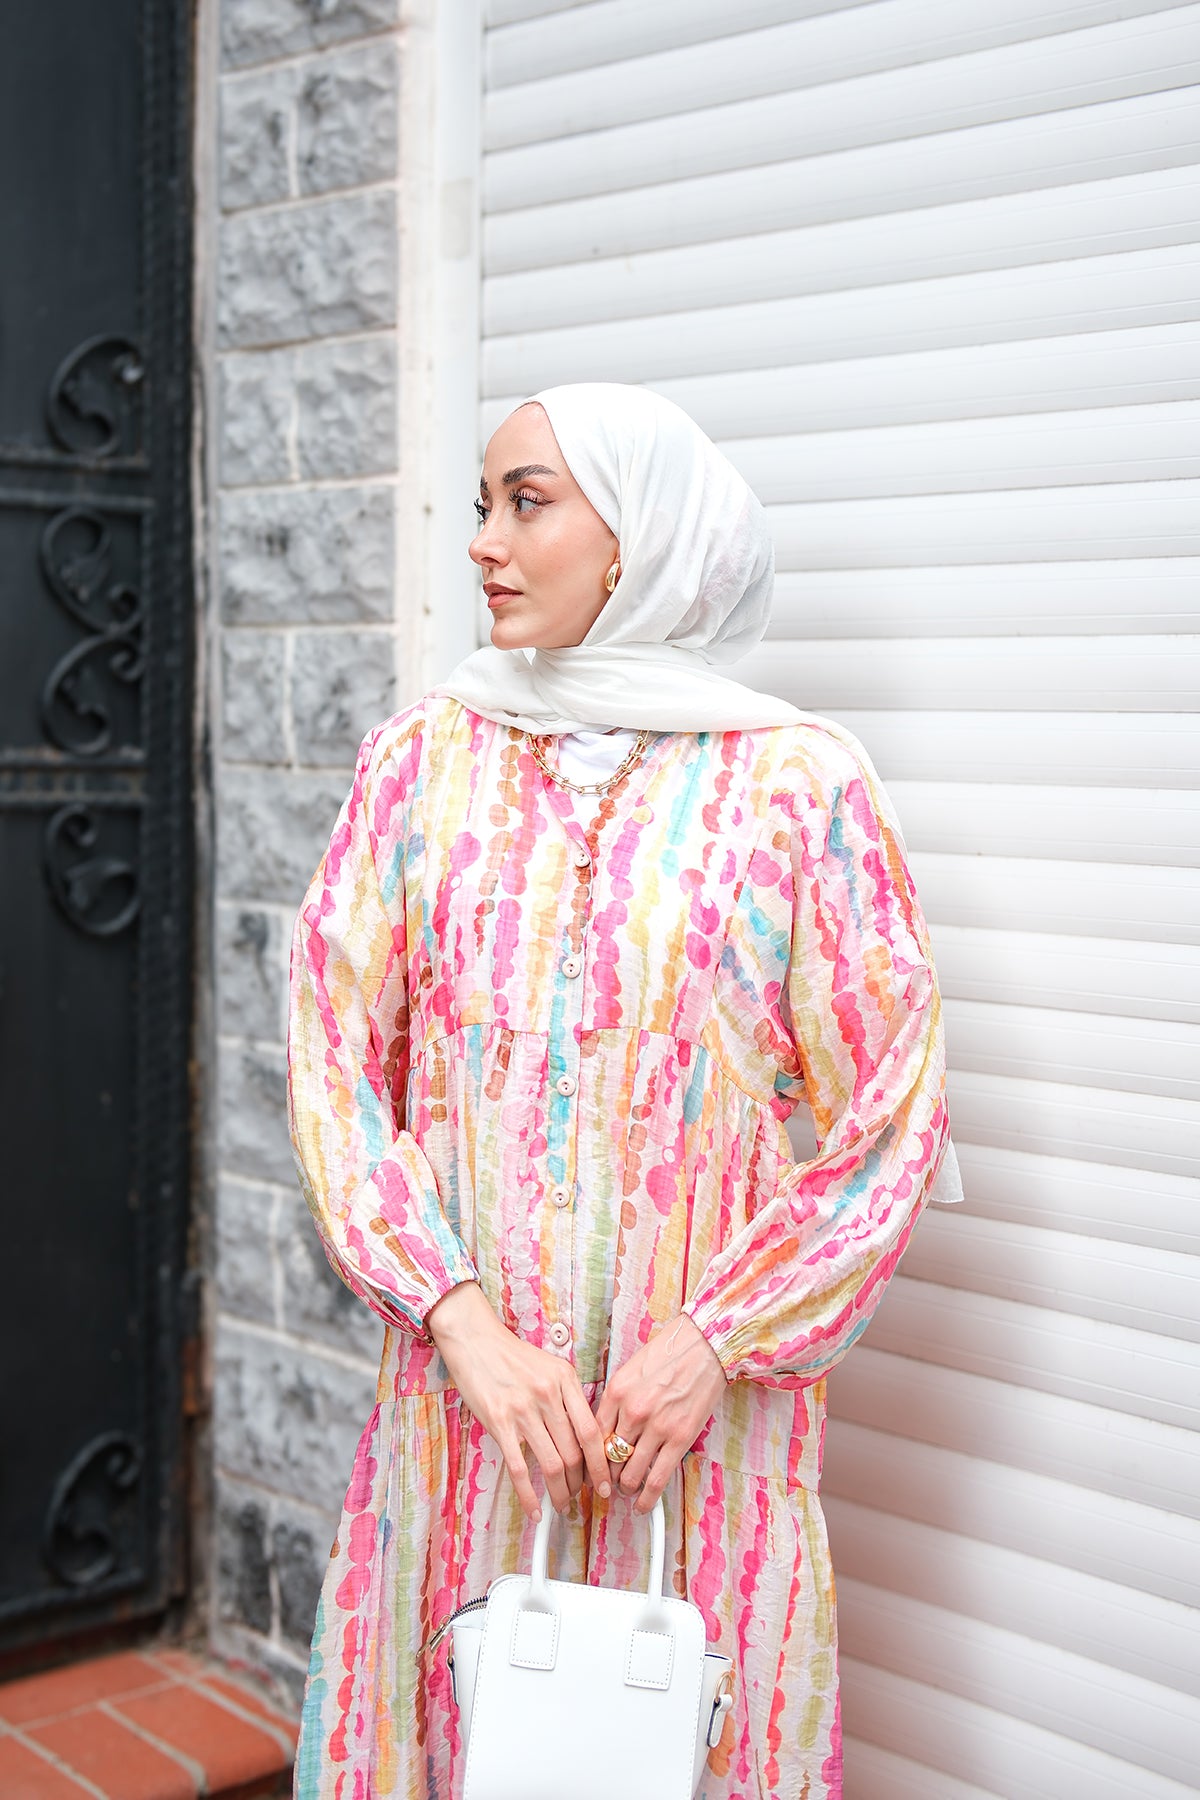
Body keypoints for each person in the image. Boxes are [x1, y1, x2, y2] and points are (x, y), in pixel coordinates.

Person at [287, 383, 955, 1800]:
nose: (485, 540)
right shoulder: (421, 765)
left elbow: (890, 1115)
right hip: (469, 1427)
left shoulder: (797, 788)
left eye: (527, 501)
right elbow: (332, 1064)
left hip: (697, 1441)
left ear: (638, 535)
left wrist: (718, 1341)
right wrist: (458, 1319)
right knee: (454, 1730)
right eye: (483, 504)